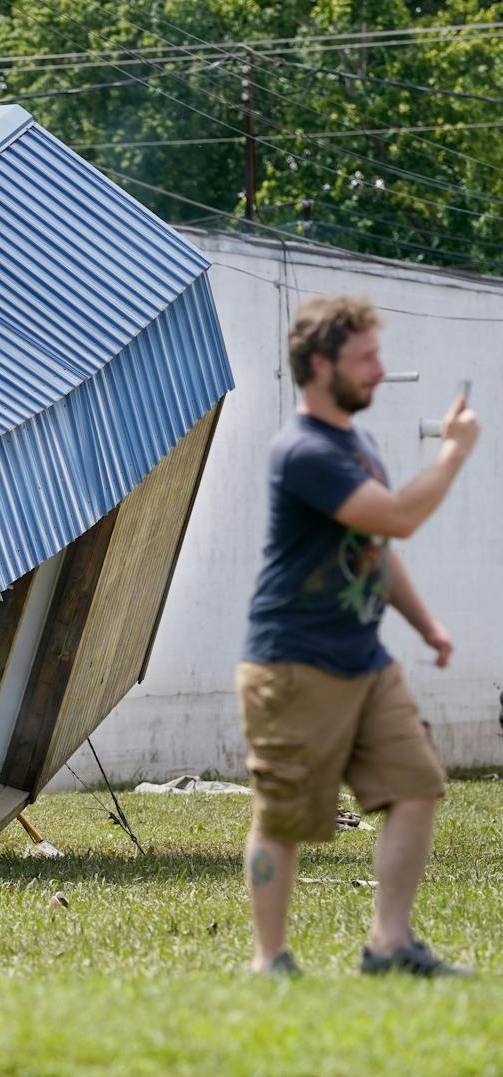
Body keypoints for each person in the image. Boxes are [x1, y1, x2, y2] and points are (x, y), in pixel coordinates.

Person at [238, 294, 480, 977]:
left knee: (417, 785)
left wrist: (424, 621)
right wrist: (454, 455)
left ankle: (389, 944)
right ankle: (270, 961)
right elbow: (399, 517)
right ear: (321, 364)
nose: (379, 369)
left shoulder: (356, 442)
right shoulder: (304, 451)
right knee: (285, 816)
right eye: (365, 357)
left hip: (363, 659)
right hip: (293, 661)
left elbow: (376, 539)